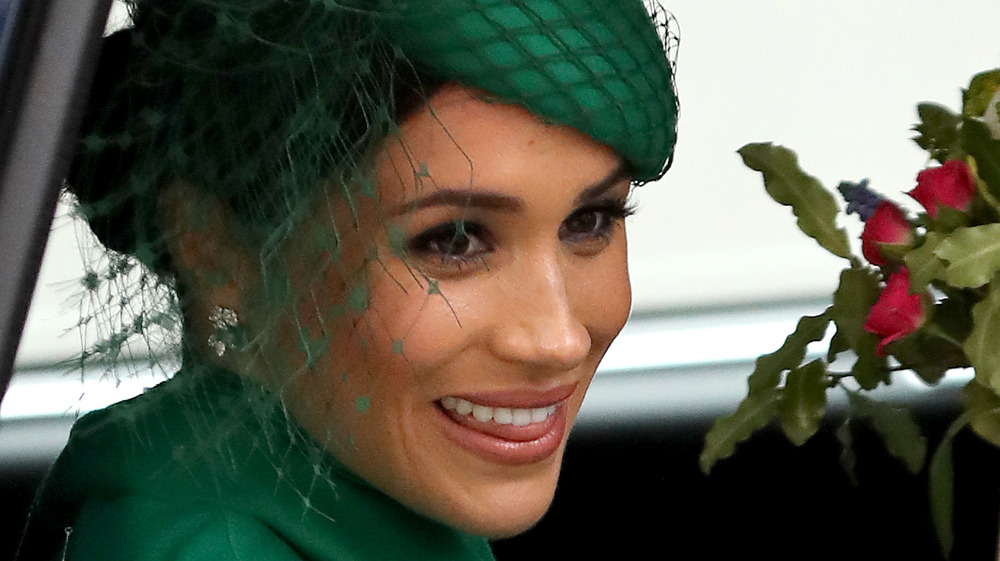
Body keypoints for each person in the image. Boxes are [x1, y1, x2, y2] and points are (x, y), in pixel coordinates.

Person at [17, 0, 678, 559]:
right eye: (454, 240)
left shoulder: (368, 501)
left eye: (590, 220)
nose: (557, 337)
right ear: (213, 249)